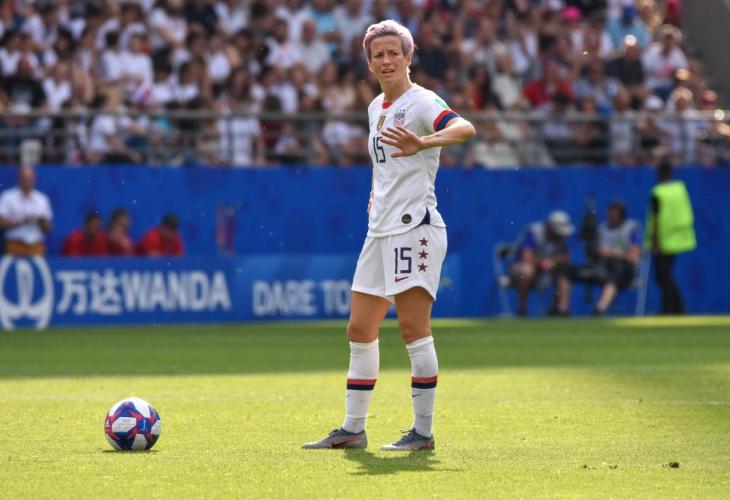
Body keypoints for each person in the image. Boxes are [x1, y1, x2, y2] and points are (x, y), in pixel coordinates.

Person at [303, 19, 475, 452]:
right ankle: (353, 429)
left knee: (413, 329)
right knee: (359, 328)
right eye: (377, 54)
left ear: (408, 56)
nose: (385, 60)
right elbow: (384, 166)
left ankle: (423, 433)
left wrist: (425, 142)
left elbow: (464, 128)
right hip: (379, 230)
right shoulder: (375, 107)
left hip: (414, 228)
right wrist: (374, 194)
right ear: (369, 63)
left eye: (393, 53)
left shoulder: (422, 100)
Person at [567, 201, 642, 315]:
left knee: (613, 278)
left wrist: (610, 253)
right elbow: (594, 253)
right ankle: (561, 311)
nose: (612, 216)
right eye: (610, 213)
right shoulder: (601, 229)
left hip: (624, 270)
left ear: (622, 215)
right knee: (566, 271)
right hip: (602, 268)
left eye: (615, 214)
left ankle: (599, 310)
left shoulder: (631, 229)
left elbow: (633, 257)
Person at [646, 161, 696, 314]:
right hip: (678, 237)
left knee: (662, 276)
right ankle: (674, 307)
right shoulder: (679, 189)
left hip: (662, 239)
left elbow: (656, 219)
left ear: (658, 174)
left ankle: (673, 308)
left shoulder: (658, 193)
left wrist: (654, 242)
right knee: (666, 275)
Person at [508, 210, 575, 317]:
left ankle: (561, 312)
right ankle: (522, 311)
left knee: (564, 272)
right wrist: (544, 262)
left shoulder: (560, 238)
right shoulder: (534, 232)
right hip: (519, 271)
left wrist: (552, 262)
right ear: (550, 228)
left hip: (544, 272)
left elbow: (565, 257)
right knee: (527, 271)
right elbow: (526, 257)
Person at [0, 165, 52, 256]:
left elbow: (48, 228)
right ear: (19, 179)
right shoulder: (7, 197)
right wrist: (22, 221)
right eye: (25, 179)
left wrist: (40, 221)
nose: (27, 182)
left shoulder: (42, 199)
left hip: (36, 245)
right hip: (14, 244)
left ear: (35, 180)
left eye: (30, 179)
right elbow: (1, 223)